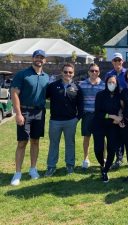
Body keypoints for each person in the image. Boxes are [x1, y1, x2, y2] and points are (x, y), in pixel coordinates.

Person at [10, 49, 49, 186]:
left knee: (35, 141)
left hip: (39, 112)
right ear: (33, 59)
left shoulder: (46, 76)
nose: (39, 59)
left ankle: (33, 169)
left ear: (45, 60)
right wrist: (18, 113)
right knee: (22, 142)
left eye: (42, 57)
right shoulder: (23, 74)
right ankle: (17, 173)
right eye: (37, 57)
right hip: (25, 112)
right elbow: (14, 93)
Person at [105, 52, 128, 171]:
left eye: (119, 60)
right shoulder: (108, 74)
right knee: (118, 136)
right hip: (115, 108)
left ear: (122, 61)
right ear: (112, 62)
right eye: (115, 60)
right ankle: (119, 159)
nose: (117, 62)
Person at [45, 63, 83, 176]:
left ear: (73, 74)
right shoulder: (53, 86)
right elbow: (45, 97)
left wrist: (77, 119)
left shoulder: (77, 88)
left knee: (70, 143)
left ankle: (70, 165)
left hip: (71, 121)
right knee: (53, 144)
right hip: (55, 121)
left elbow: (81, 106)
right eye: (65, 72)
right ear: (62, 72)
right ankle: (51, 167)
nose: (68, 74)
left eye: (70, 72)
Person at [93, 75, 122, 182]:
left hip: (113, 126)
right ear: (106, 83)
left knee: (112, 149)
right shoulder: (100, 95)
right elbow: (98, 113)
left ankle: (105, 170)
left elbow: (123, 109)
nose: (111, 84)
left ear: (117, 84)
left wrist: (119, 117)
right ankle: (102, 163)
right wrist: (112, 116)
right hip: (99, 124)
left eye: (113, 82)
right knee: (98, 148)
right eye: (109, 82)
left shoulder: (119, 96)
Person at [79, 63, 105, 169]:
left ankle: (103, 158)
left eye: (96, 71)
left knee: (101, 139)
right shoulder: (82, 84)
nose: (94, 72)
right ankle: (86, 159)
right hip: (87, 115)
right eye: (92, 70)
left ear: (99, 72)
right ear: (88, 72)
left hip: (99, 116)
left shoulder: (104, 85)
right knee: (87, 137)